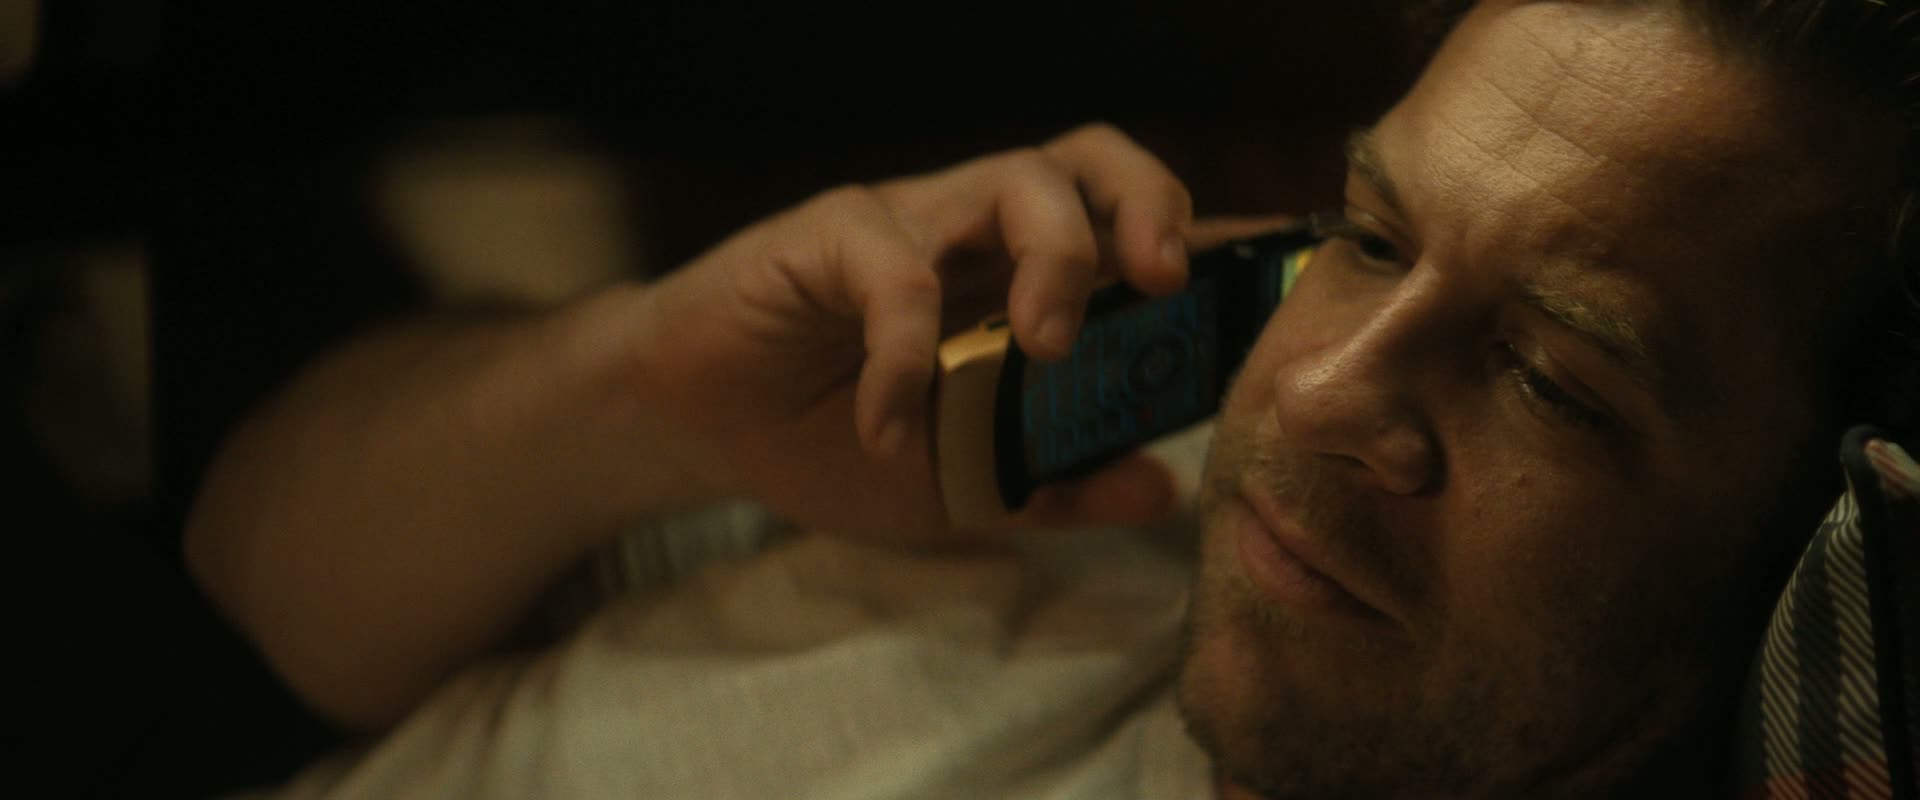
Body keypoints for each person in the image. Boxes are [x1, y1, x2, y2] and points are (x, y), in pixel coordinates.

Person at [183, 0, 1920, 795]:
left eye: (1549, 376)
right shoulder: (1087, 485)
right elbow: (249, 566)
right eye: (1374, 237)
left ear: (1796, 547)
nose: (1320, 389)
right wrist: (641, 395)